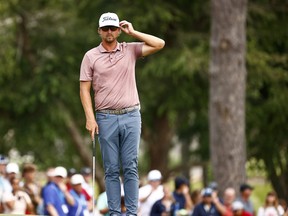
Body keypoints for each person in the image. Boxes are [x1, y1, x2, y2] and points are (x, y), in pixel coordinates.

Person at [79, 12, 165, 216]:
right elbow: (84, 90)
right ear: (99, 31)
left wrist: (133, 32)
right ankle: (115, 213)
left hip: (131, 115)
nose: (109, 32)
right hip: (105, 117)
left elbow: (159, 43)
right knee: (110, 169)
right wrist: (90, 118)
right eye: (105, 29)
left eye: (113, 28)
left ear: (118, 30)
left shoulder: (130, 49)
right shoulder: (90, 56)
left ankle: (132, 213)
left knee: (130, 166)